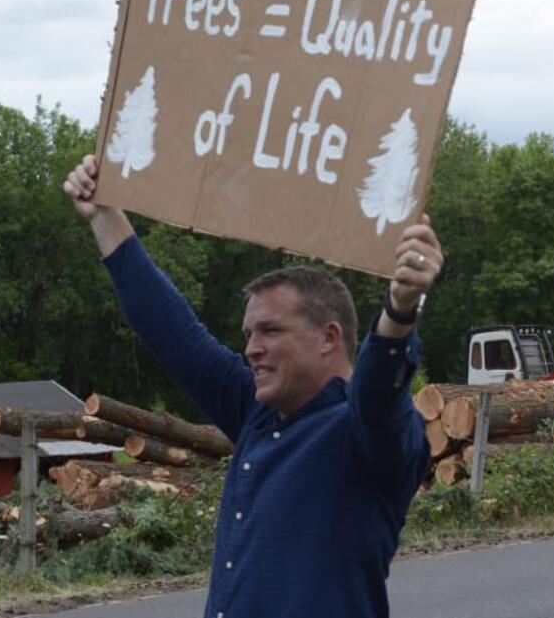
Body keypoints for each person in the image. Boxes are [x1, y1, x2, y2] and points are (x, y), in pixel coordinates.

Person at [63, 153, 435, 618]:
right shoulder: (256, 413)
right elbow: (173, 332)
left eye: (270, 331)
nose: (251, 348)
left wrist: (400, 308)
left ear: (328, 337)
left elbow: (380, 393)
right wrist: (103, 214)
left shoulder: (367, 436)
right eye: (249, 334)